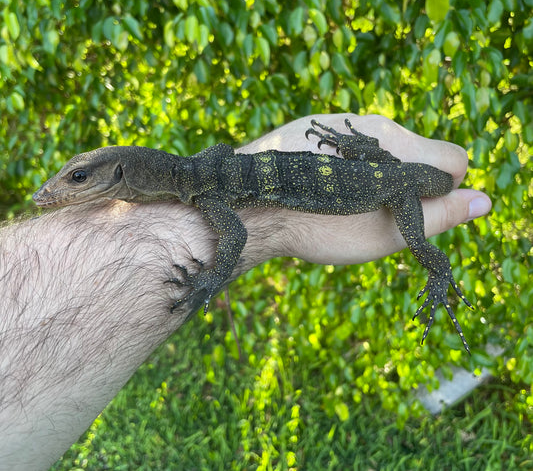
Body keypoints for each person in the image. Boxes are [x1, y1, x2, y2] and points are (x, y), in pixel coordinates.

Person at [0, 114, 492, 470]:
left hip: (396, 186)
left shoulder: (207, 186)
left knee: (419, 243)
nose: (56, 192)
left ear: (123, 177)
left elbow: (234, 235)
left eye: (78, 179)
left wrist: (211, 281)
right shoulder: (202, 174)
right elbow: (216, 158)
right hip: (380, 166)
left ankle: (441, 275)